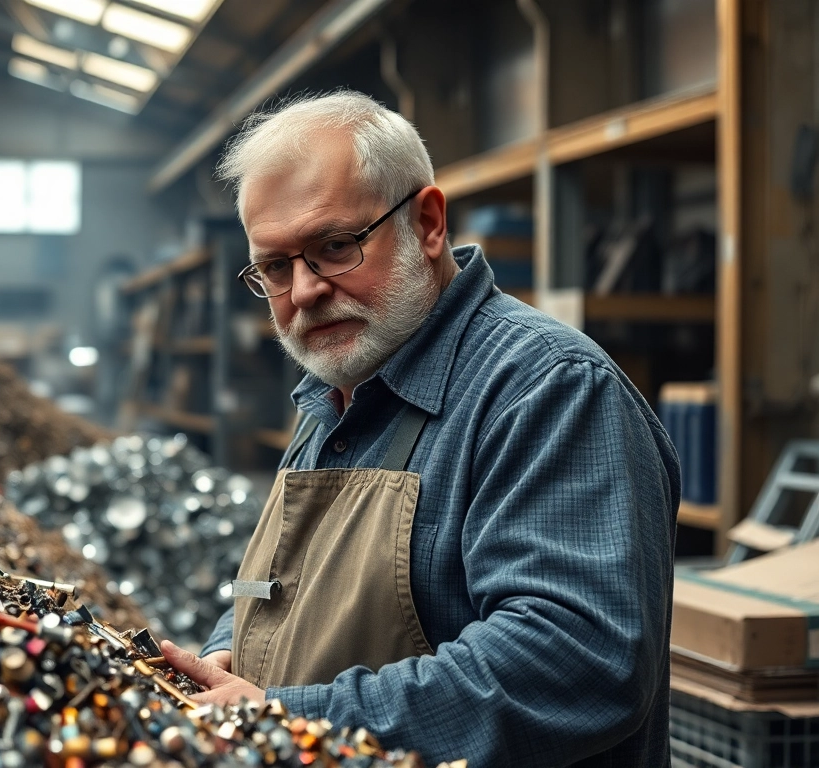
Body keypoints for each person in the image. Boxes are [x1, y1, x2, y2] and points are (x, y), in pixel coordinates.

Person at [157, 91, 679, 767]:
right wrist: (231, 655)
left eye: (335, 246)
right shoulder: (334, 394)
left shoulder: (547, 389)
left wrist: (290, 719)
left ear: (428, 223)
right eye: (276, 268)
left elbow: (576, 659)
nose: (306, 290)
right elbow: (279, 588)